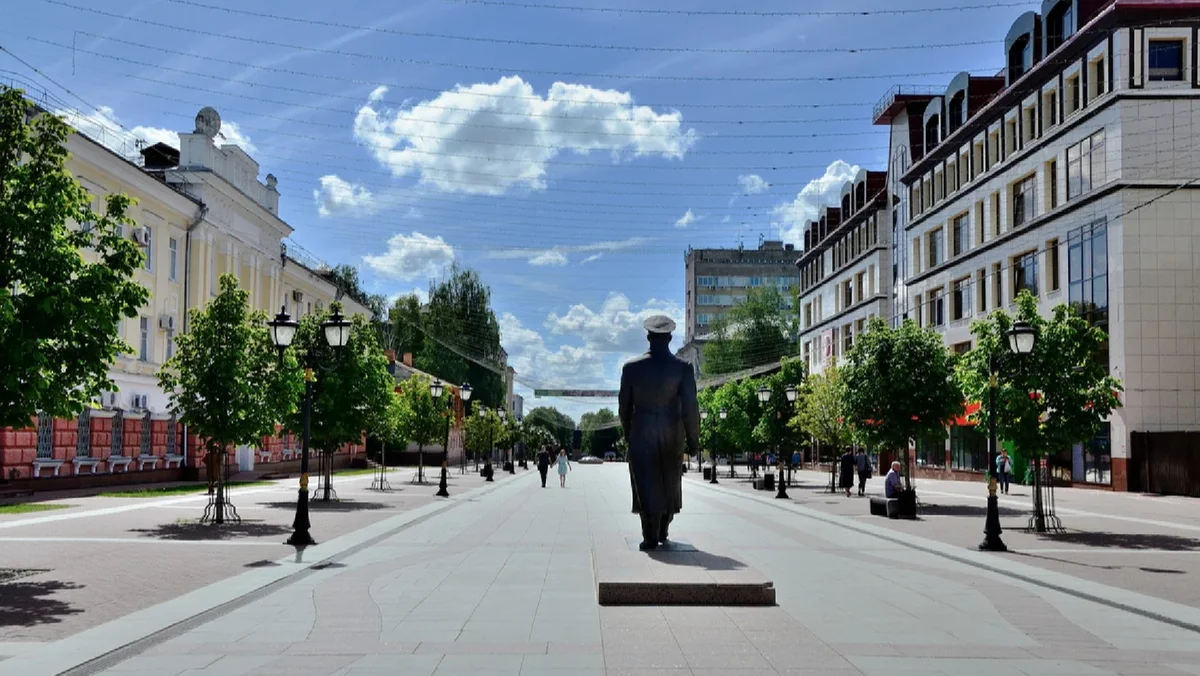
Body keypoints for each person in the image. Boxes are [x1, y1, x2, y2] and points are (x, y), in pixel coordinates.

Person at [618, 315, 700, 551]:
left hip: (641, 432)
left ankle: (650, 534)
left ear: (648, 337)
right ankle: (664, 526)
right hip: (672, 434)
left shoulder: (631, 368)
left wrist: (628, 433)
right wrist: (693, 440)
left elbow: (624, 407)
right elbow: (690, 408)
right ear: (670, 338)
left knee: (644, 481)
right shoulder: (682, 369)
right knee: (669, 481)